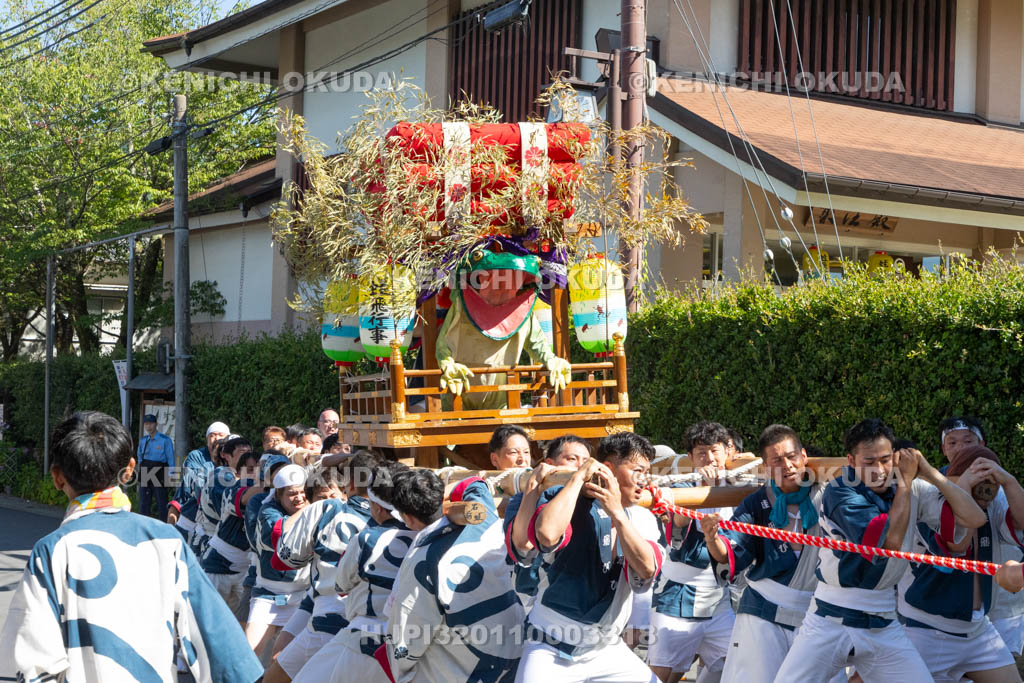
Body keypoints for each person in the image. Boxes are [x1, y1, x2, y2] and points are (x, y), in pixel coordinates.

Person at [0, 411, 263, 682]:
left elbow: (28, 664)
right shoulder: (165, 539)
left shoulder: (52, 550)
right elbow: (225, 651)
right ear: (129, 470)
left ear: (57, 477)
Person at [775, 418, 985, 682]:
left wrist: (930, 472)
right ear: (851, 461)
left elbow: (975, 518)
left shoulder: (908, 486)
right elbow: (888, 546)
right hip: (830, 616)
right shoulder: (839, 491)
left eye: (886, 460)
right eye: (869, 462)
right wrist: (907, 485)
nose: (880, 470)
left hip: (884, 618)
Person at [517, 432, 663, 683]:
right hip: (551, 645)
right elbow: (547, 535)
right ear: (607, 469)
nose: (643, 481)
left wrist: (616, 511)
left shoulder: (643, 518)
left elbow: (647, 569)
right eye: (637, 471)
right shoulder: (568, 499)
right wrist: (577, 479)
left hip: (605, 649)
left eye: (646, 473)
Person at [698, 424, 824, 683]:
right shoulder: (756, 503)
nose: (787, 465)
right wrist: (712, 539)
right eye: (777, 460)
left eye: (791, 457)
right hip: (764, 611)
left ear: (803, 457)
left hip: (815, 613)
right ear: (767, 468)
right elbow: (730, 550)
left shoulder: (827, 496)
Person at [381, 469, 526, 681]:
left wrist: (398, 664)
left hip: (463, 667)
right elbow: (476, 483)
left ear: (408, 518)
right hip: (515, 650)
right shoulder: (483, 515)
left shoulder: (422, 557)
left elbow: (408, 634)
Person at [898, 445, 1024, 683]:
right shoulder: (929, 498)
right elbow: (957, 545)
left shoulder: (994, 503)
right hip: (925, 628)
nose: (985, 491)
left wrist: (1008, 481)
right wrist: (964, 488)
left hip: (977, 629)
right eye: (977, 481)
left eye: (989, 483)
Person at [293, 462, 415, 682]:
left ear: (376, 507)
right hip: (410, 640)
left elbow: (341, 586)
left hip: (364, 636)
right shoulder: (425, 537)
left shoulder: (367, 538)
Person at [265, 452, 379, 683]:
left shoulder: (327, 509)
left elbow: (287, 559)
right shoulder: (396, 518)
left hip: (332, 608)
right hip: (376, 616)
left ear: (349, 483)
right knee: (279, 656)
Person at [648, 421, 736, 683]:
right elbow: (677, 524)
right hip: (679, 595)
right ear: (691, 458)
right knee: (663, 676)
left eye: (715, 451)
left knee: (739, 662)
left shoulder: (740, 482)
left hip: (720, 600)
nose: (710, 458)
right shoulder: (684, 488)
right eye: (701, 453)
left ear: (727, 452)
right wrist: (707, 491)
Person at [505, 434, 592, 607]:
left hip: (580, 603)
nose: (581, 467)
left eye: (586, 462)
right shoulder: (523, 499)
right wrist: (533, 486)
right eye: (572, 459)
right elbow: (523, 546)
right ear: (550, 465)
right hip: (532, 599)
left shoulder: (593, 501)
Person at [247, 464, 312, 659]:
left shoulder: (314, 509)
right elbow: (281, 533)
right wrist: (311, 509)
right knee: (249, 653)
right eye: (292, 494)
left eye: (303, 492)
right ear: (278, 495)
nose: (299, 498)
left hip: (302, 597)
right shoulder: (267, 511)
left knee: (288, 659)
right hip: (268, 593)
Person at [201, 437, 261, 615]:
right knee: (208, 618)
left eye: (260, 470)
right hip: (218, 563)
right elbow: (246, 497)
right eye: (250, 470)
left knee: (238, 623)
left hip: (245, 569)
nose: (255, 474)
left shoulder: (274, 495)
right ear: (238, 472)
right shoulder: (231, 486)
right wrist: (270, 482)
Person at [168, 420, 229, 535]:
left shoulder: (232, 458)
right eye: (212, 435)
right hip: (193, 506)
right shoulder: (196, 456)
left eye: (221, 435)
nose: (216, 438)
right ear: (207, 440)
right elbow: (197, 484)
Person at [137, 413, 175, 521]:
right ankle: (143, 523)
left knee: (161, 500)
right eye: (146, 424)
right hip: (145, 469)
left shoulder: (165, 440)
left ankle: (164, 524)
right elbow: (139, 455)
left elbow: (171, 459)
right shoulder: (143, 440)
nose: (149, 426)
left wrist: (172, 476)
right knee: (144, 501)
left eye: (151, 424)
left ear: (156, 424)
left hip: (160, 470)